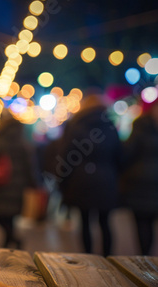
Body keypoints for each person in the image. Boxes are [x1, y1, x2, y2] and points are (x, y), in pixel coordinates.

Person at [57, 95, 121, 256]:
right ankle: (107, 257)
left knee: (85, 221)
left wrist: (63, 182)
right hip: (106, 180)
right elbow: (119, 156)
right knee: (105, 222)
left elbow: (67, 156)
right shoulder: (110, 127)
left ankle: (89, 256)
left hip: (81, 180)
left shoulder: (76, 126)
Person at [0, 110, 37, 248]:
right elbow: (30, 166)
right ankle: (11, 240)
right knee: (10, 216)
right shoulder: (23, 141)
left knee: (0, 216)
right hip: (18, 186)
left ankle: (11, 239)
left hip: (0, 185)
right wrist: (33, 184)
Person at [120, 100, 158, 255]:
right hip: (144, 184)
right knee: (144, 222)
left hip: (140, 182)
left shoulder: (140, 127)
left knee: (143, 223)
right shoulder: (141, 126)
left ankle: (145, 259)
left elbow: (127, 153)